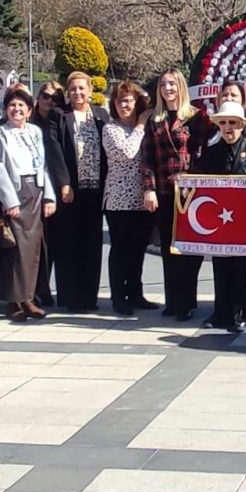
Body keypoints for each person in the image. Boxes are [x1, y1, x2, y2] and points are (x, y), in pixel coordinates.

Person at [0, 86, 55, 322]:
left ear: (29, 110)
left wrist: (49, 196)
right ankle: (13, 300)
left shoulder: (34, 132)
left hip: (35, 190)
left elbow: (43, 165)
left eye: (21, 106)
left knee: (33, 248)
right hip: (14, 192)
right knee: (13, 247)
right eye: (12, 105)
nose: (16, 110)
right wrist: (9, 199)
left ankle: (29, 297)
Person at [194, 100, 246, 332]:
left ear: (241, 125)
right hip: (221, 223)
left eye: (233, 123)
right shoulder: (210, 153)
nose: (228, 127)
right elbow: (197, 180)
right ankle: (223, 311)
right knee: (222, 265)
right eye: (223, 123)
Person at [42, 70, 106, 314]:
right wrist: (64, 183)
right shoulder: (59, 116)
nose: (78, 93)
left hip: (96, 188)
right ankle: (70, 296)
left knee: (92, 243)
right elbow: (54, 150)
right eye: (73, 89)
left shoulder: (101, 115)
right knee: (69, 243)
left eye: (82, 88)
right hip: (71, 189)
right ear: (68, 93)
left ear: (90, 91)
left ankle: (89, 296)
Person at [147, 71, 209, 319]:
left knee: (189, 250)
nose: (168, 88)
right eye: (163, 84)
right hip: (163, 192)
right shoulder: (155, 119)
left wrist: (189, 175)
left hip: (189, 194)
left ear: (181, 86)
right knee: (168, 248)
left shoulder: (196, 118)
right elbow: (147, 158)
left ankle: (187, 301)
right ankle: (172, 300)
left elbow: (202, 154)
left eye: (172, 84)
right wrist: (148, 188)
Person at [100, 82, 153, 318]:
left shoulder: (146, 128)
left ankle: (135, 292)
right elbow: (127, 151)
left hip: (141, 198)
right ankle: (118, 297)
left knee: (138, 249)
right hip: (118, 200)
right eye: (120, 101)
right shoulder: (111, 129)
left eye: (129, 101)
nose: (124, 105)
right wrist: (141, 124)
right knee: (120, 249)